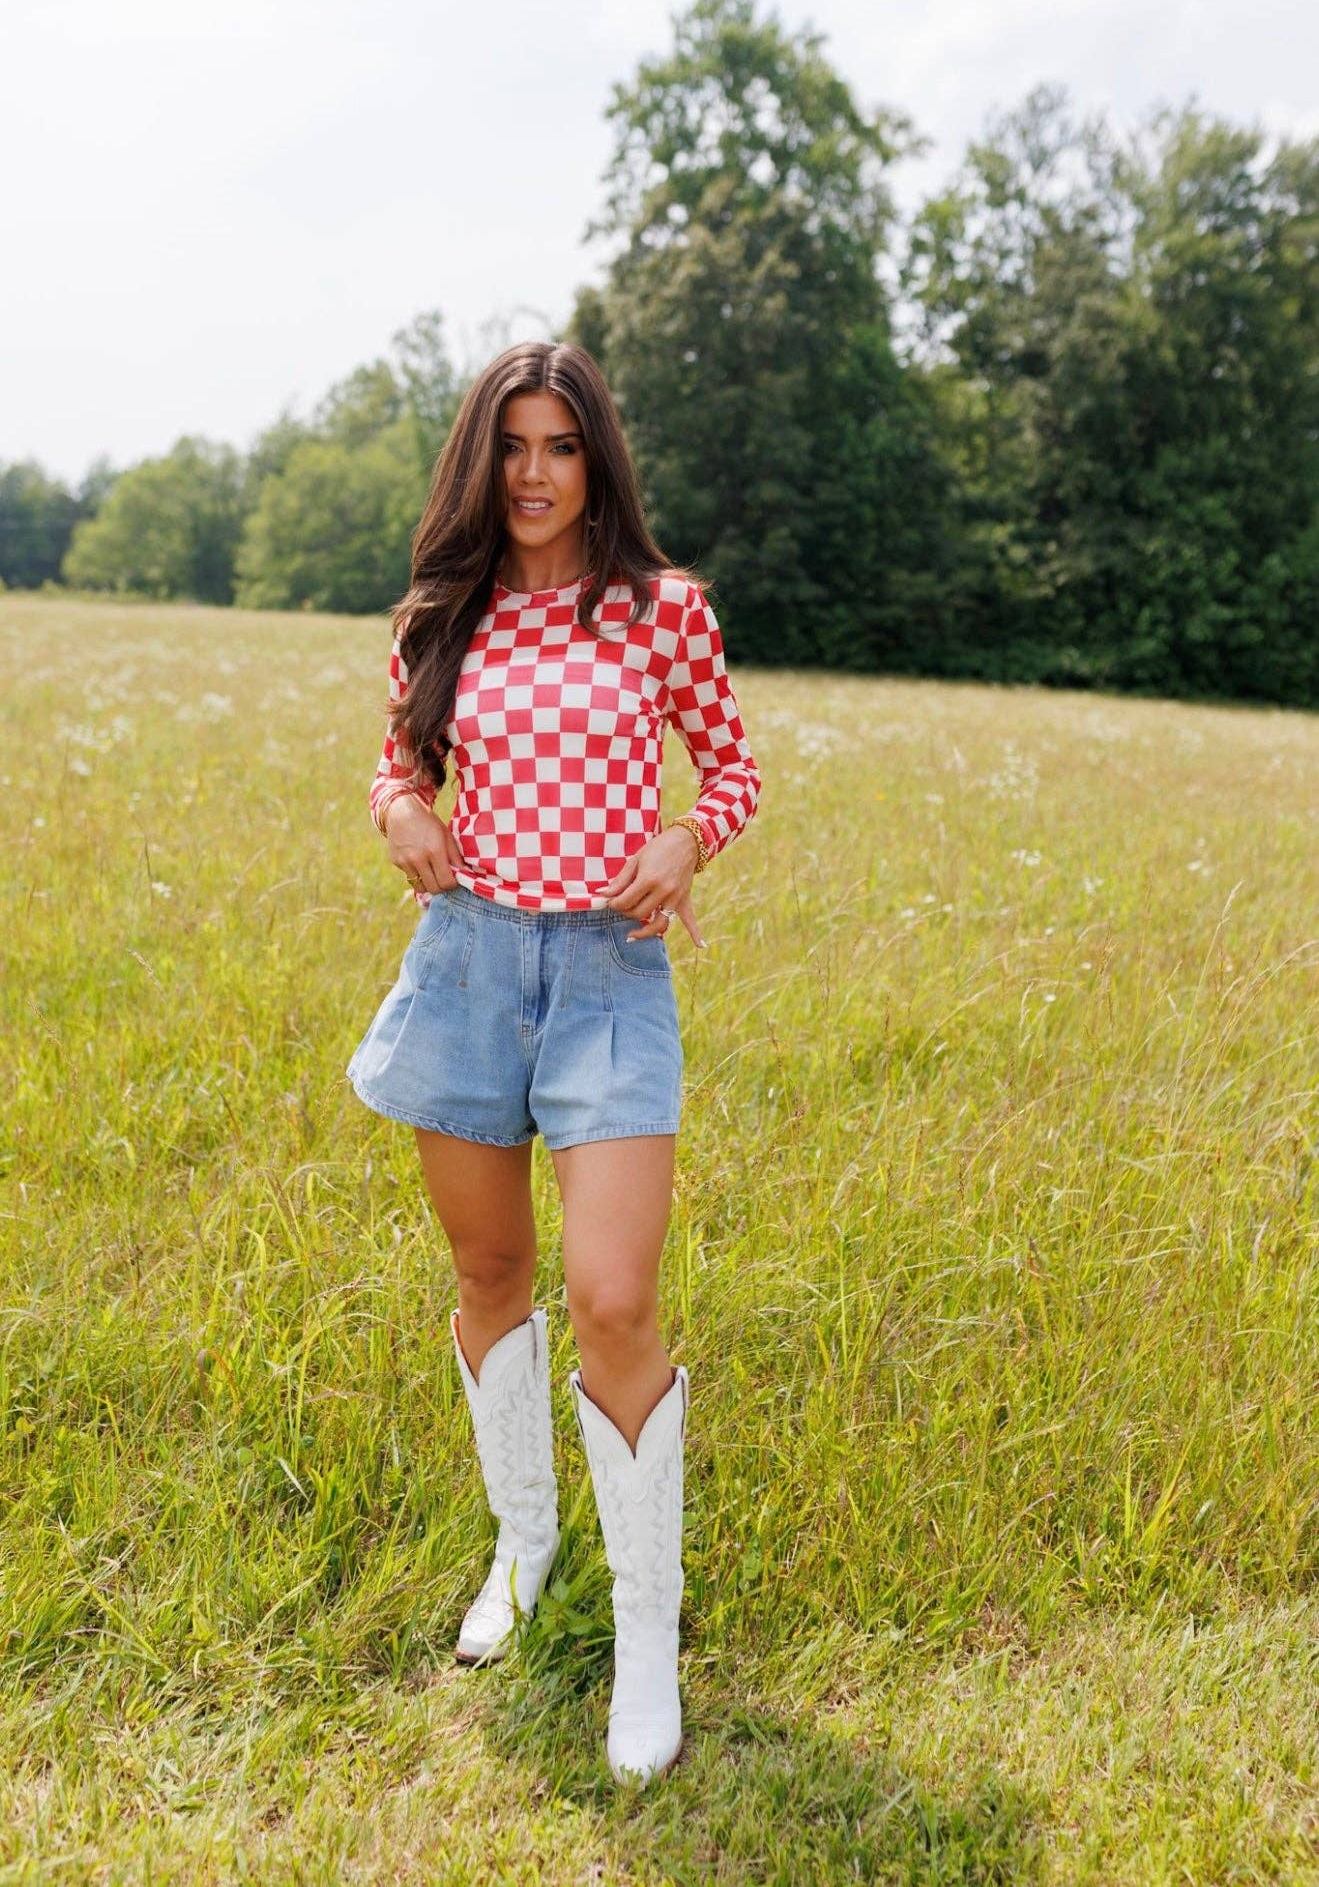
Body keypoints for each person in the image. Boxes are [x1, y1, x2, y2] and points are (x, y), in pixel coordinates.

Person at [345, 340, 762, 1786]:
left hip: (603, 977)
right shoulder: (442, 616)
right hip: (464, 970)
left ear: (599, 460)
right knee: (487, 1278)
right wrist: (400, 807)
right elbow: (401, 760)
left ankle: (646, 1635)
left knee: (613, 1291)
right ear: (481, 458)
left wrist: (681, 835)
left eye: (561, 444)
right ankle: (525, 1543)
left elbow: (736, 770)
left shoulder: (662, 613)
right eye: (511, 444)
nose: (534, 471)